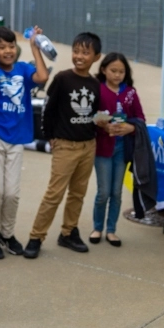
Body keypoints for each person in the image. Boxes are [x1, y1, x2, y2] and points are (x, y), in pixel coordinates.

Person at [24, 32, 103, 259]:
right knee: (54, 194)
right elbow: (47, 110)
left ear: (95, 57)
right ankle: (36, 237)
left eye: (85, 53)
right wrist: (51, 137)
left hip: (88, 146)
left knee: (78, 193)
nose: (79, 56)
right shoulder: (62, 79)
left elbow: (94, 113)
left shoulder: (95, 84)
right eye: (76, 51)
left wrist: (103, 125)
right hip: (65, 146)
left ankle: (68, 232)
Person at [0, 26, 48, 259]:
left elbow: (42, 77)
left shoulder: (24, 69)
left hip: (17, 138)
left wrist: (34, 47)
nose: (7, 51)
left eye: (10, 46)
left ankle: (7, 234)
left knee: (12, 193)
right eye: (1, 47)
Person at [90, 52, 144, 247]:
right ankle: (97, 227)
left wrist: (130, 127)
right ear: (103, 70)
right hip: (103, 147)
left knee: (116, 192)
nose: (117, 75)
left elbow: (140, 118)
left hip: (122, 147)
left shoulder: (130, 92)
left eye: (121, 71)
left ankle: (111, 230)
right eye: (113, 70)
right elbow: (88, 114)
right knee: (103, 191)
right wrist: (103, 124)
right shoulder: (97, 89)